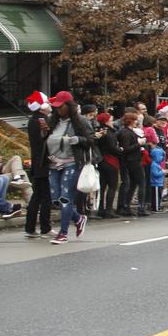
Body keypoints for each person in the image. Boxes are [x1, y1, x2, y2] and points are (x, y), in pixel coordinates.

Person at [45, 91, 94, 244]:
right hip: (53, 163)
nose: (58, 110)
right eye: (56, 107)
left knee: (66, 198)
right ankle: (78, 219)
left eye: (61, 106)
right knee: (56, 199)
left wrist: (78, 139)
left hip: (72, 162)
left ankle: (63, 233)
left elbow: (91, 140)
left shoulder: (81, 121)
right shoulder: (52, 121)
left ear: (69, 106)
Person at [24, 91, 52, 237]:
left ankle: (30, 227)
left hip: (37, 163)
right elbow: (48, 139)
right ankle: (45, 227)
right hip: (44, 163)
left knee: (37, 196)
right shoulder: (42, 120)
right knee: (46, 197)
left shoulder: (33, 120)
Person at [116, 111, 146, 217]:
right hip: (132, 160)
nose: (137, 122)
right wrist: (139, 144)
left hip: (131, 160)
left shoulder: (126, 131)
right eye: (135, 119)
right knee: (141, 182)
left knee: (132, 183)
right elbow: (126, 148)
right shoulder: (126, 133)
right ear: (131, 121)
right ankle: (140, 207)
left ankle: (126, 205)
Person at [94, 112, 121, 219]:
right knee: (112, 186)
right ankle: (108, 210)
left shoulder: (100, 131)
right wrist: (121, 150)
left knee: (102, 186)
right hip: (110, 161)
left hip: (101, 161)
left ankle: (101, 208)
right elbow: (113, 148)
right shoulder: (109, 133)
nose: (112, 121)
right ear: (106, 121)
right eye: (110, 119)